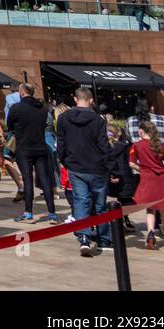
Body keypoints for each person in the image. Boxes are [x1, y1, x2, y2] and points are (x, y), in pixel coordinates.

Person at [57, 87, 113, 257]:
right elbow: (104, 145)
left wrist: (64, 160)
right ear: (90, 100)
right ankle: (104, 238)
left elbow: (61, 143)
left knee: (80, 201)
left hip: (75, 166)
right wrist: (109, 166)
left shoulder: (63, 118)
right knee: (100, 204)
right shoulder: (98, 120)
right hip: (96, 167)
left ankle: (84, 237)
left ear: (75, 99)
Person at [128, 101, 164, 234]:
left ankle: (154, 228)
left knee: (150, 202)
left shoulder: (130, 121)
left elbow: (128, 139)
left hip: (143, 168)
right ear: (152, 107)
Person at [7, 83, 58, 223]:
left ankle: (28, 212)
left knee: (27, 179)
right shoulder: (42, 108)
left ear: (22, 92)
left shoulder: (16, 108)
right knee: (45, 179)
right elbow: (45, 124)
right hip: (40, 146)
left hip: (24, 147)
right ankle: (52, 213)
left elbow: (10, 125)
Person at [129, 120, 164, 249]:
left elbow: (131, 163)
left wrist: (142, 170)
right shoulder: (160, 146)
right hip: (161, 180)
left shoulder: (136, 146)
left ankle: (150, 233)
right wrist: (161, 171)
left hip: (146, 178)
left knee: (150, 208)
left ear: (141, 131)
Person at [0, 114, 25, 201]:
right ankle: (23, 188)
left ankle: (22, 188)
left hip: (14, 136)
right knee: (19, 162)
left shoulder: (13, 105)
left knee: (8, 162)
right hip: (21, 136)